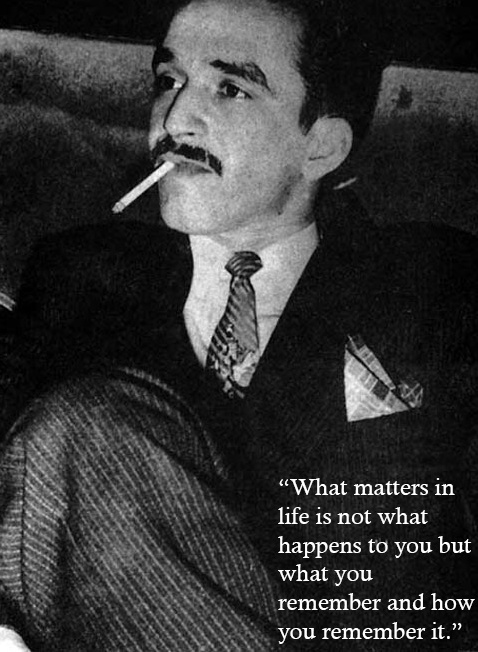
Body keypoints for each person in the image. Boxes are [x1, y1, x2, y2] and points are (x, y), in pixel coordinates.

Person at [0, 0, 477, 649]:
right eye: (168, 80)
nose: (175, 119)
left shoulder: (431, 283)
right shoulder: (80, 276)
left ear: (321, 146)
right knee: (78, 431)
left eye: (230, 89)